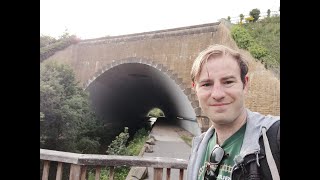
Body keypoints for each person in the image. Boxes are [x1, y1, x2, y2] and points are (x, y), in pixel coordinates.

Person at [186, 44, 280, 180]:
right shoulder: (198, 148)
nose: (217, 94)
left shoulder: (274, 138)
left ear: (245, 84)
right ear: (195, 89)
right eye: (207, 84)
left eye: (228, 82)